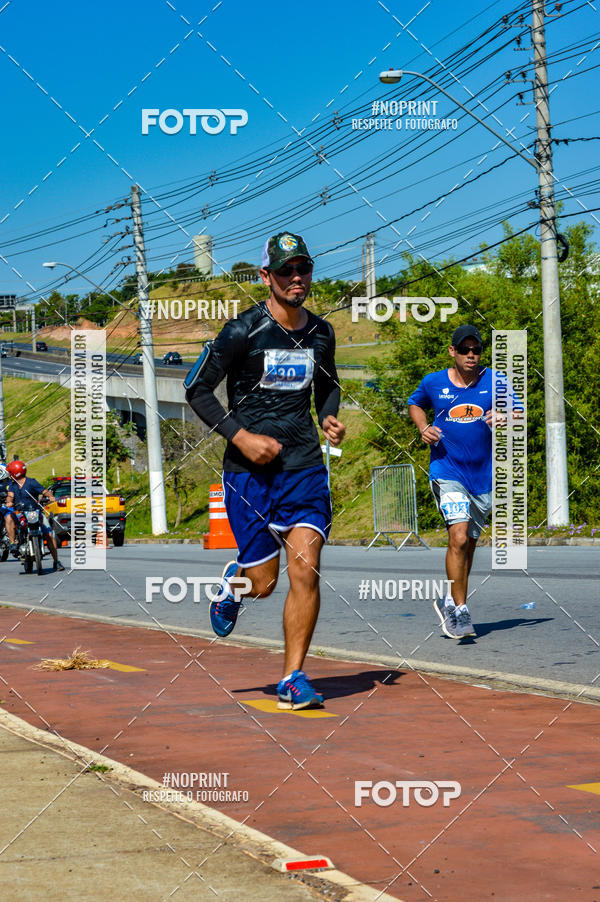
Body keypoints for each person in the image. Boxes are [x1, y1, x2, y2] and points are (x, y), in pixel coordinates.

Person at [186, 231, 345, 709]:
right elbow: (196, 389)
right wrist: (241, 437)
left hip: (304, 468)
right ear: (266, 276)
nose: (297, 278)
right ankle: (234, 583)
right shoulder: (242, 331)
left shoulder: (321, 333)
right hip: (248, 476)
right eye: (285, 271)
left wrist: (329, 417)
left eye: (303, 268)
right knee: (264, 585)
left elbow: (329, 385)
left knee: (306, 570)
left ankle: (293, 677)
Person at [408, 325, 503, 640]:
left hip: (483, 477)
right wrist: (423, 428)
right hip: (447, 471)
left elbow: (517, 409)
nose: (471, 355)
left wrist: (506, 417)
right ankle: (460, 610)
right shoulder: (433, 382)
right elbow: (415, 403)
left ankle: (450, 598)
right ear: (453, 351)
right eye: (464, 349)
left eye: (476, 350)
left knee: (469, 543)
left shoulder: (495, 380)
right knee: (458, 537)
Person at [4, 460, 64, 571]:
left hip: (36, 512)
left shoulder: (32, 482)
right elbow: (10, 496)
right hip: (20, 513)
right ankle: (13, 543)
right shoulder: (12, 485)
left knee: (49, 535)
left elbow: (45, 491)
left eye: (10, 473)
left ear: (14, 473)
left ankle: (57, 561)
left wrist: (50, 496)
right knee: (8, 517)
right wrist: (9, 502)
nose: (10, 475)